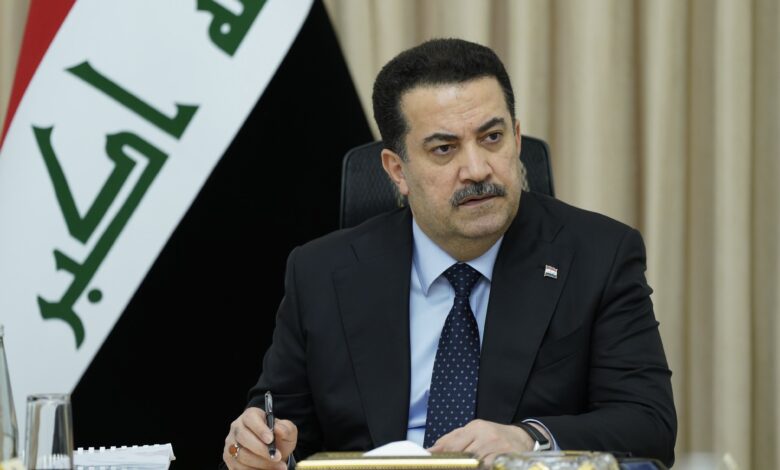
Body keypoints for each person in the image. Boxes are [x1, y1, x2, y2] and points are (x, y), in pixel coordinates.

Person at [222, 38, 676, 470]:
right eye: (444, 149)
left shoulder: (598, 255)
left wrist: (528, 440)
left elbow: (648, 425)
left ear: (517, 138)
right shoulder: (321, 273)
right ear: (397, 170)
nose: (477, 169)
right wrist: (259, 447)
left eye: (492, 138)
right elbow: (281, 429)